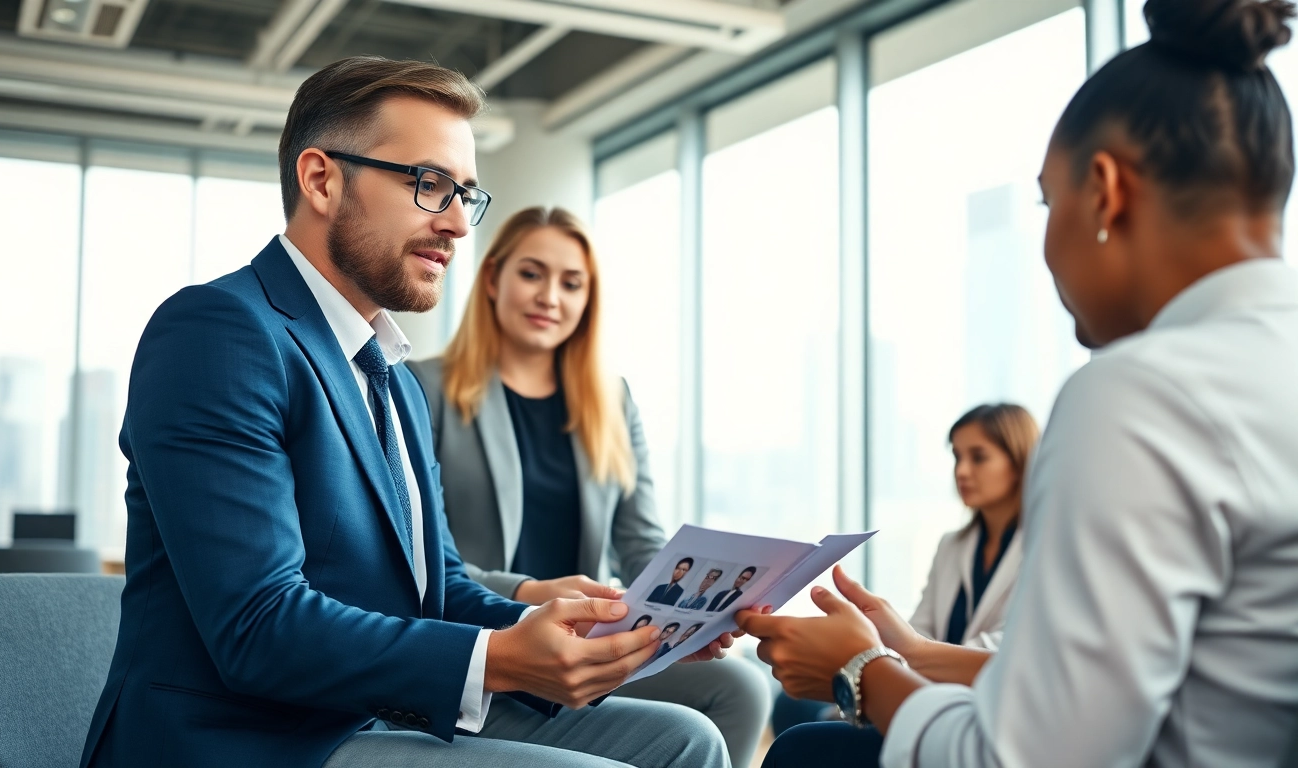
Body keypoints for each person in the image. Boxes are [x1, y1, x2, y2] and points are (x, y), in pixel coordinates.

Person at [79, 56, 731, 768]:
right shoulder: (219, 332)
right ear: (322, 179)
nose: (456, 223)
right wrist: (501, 659)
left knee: (685, 740)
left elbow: (438, 586)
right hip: (253, 742)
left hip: (371, 719)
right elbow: (258, 626)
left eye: (466, 196)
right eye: (429, 184)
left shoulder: (393, 378)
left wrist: (575, 629)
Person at [742, 1, 1298, 766]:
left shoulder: (1143, 394)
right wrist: (911, 652)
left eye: (1048, 200)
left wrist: (861, 671)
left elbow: (1020, 757)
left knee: (809, 753)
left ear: (1104, 192)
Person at [408, 206, 770, 767]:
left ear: (587, 299)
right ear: (493, 279)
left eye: (571, 283)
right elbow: (427, 564)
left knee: (742, 688)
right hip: (485, 640)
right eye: (532, 273)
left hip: (586, 638)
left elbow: (644, 545)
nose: (550, 296)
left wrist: (692, 615)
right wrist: (534, 591)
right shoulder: (422, 388)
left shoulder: (612, 399)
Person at [770, 404, 1039, 740]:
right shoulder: (952, 544)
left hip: (979, 702)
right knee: (788, 705)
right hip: (921, 681)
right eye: (957, 457)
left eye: (978, 457)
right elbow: (920, 626)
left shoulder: (1045, 549)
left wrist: (883, 672)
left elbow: (1004, 647)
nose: (962, 471)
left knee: (800, 740)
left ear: (1018, 462)